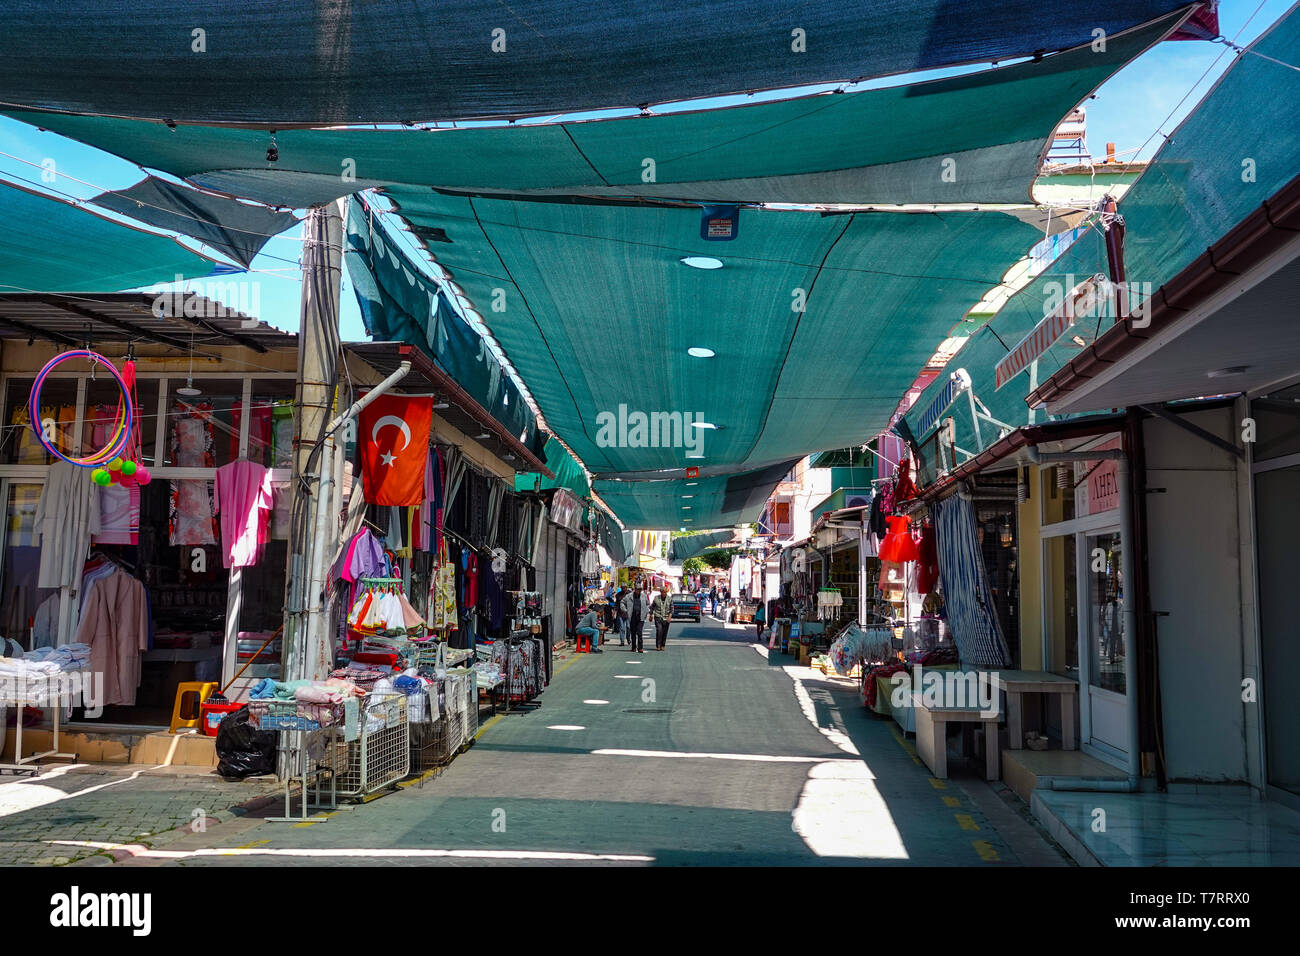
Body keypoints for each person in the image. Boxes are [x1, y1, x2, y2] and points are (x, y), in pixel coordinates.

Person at [622, 583, 647, 653]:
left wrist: (646, 611)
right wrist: (625, 610)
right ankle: (633, 647)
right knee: (633, 632)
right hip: (632, 616)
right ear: (635, 589)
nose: (639, 591)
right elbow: (622, 602)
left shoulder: (643, 596)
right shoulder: (629, 596)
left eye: (640, 589)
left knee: (639, 632)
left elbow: (648, 604)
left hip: (640, 616)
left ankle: (640, 647)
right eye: (638, 589)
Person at [650, 582, 672, 651]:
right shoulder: (656, 598)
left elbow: (672, 609)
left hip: (666, 618)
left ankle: (663, 645)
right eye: (663, 592)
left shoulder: (669, 599)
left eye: (665, 592)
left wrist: (669, 617)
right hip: (658, 617)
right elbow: (652, 607)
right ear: (661, 592)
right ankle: (658, 645)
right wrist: (650, 615)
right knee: (659, 631)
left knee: (664, 632)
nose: (664, 593)